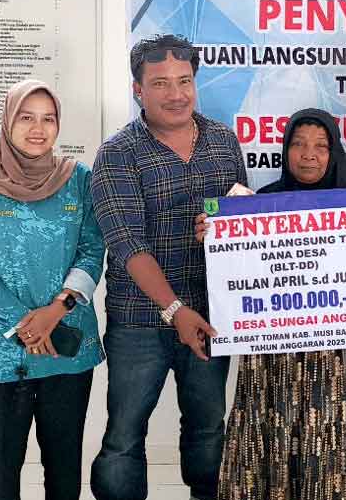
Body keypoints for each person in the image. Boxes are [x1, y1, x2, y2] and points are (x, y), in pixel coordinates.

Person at [197, 108, 346, 500]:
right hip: (273, 361)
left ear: (334, 152)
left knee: (333, 443)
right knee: (272, 434)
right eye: (298, 144)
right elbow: (234, 275)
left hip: (340, 362)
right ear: (285, 149)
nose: (309, 154)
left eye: (321, 146)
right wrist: (213, 236)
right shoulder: (257, 204)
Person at [89, 34, 248, 500]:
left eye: (184, 81)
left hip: (211, 314)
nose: (176, 94)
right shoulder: (117, 154)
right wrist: (175, 310)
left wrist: (226, 228)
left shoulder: (223, 141)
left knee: (208, 428)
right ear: (137, 89)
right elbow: (128, 245)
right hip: (140, 321)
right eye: (160, 83)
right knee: (124, 435)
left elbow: (243, 215)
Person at [0, 79, 105, 500]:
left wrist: (57, 309)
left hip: (66, 351)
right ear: (8, 122)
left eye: (48, 119)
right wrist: (25, 321)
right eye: (26, 117)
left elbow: (93, 250)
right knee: (1, 478)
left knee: (64, 474)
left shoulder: (79, 180)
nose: (38, 129)